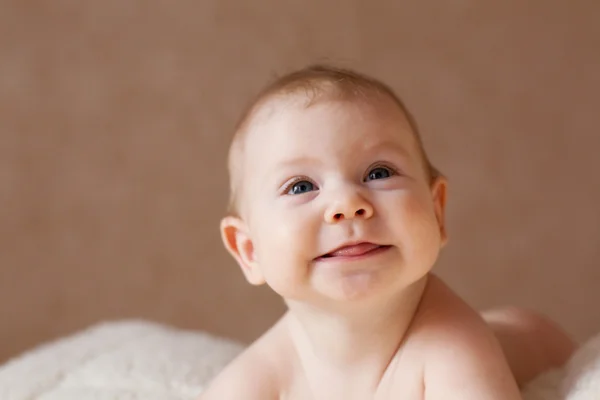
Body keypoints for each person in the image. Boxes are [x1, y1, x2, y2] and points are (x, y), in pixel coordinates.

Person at [200, 65, 576, 399]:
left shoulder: (452, 347)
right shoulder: (260, 375)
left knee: (506, 331)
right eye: (300, 186)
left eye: (379, 173)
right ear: (249, 251)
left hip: (534, 340)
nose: (347, 203)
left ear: (437, 211)